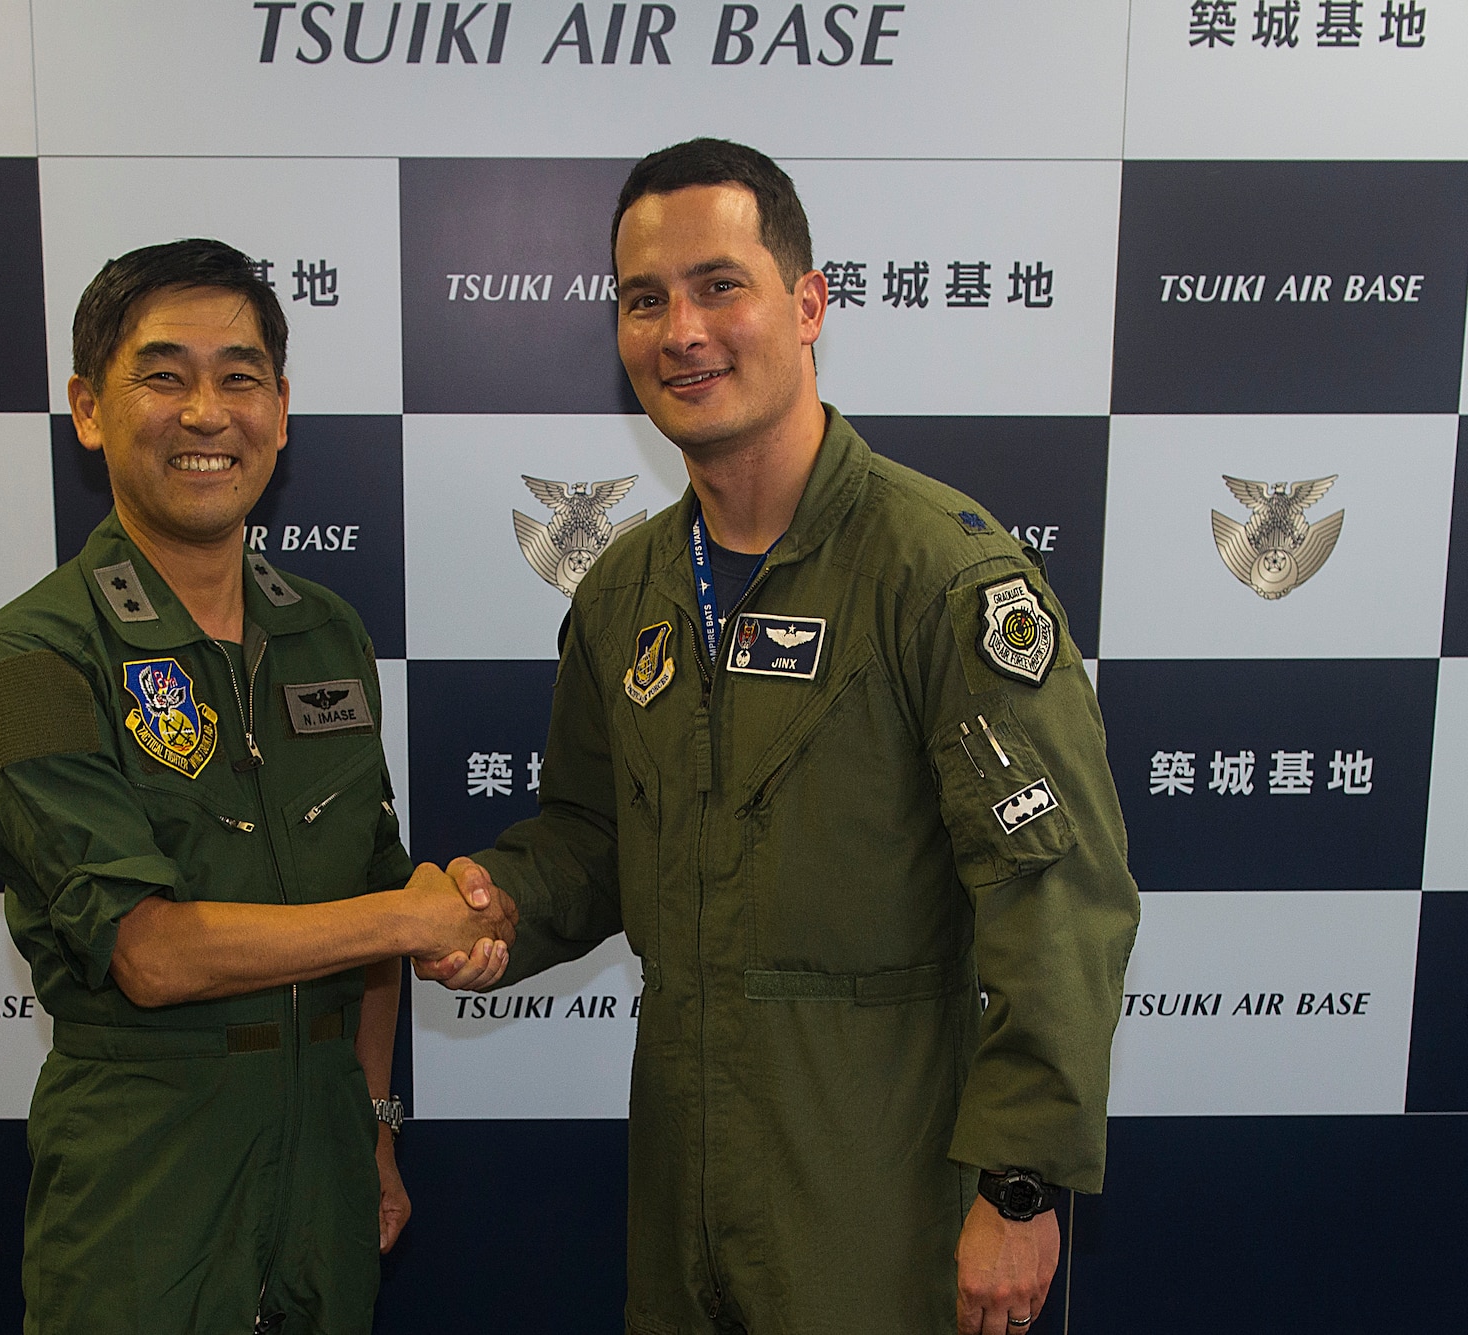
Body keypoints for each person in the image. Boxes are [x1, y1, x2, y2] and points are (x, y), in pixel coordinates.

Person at [423, 139, 1140, 1334]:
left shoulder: (938, 576)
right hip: (681, 1193)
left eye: (718, 285)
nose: (679, 330)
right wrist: (485, 905)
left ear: (806, 305)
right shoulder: (626, 592)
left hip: (881, 1194)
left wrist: (1017, 1191)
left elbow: (1056, 899)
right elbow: (593, 840)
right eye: (642, 298)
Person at [0, 238, 516, 1335]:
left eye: (240, 376)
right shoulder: (35, 662)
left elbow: (369, 907)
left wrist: (376, 1122)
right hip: (147, 1174)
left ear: (282, 410)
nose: (207, 412)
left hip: (325, 1168)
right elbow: (149, 954)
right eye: (163, 375)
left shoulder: (324, 632)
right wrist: (410, 912)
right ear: (89, 408)